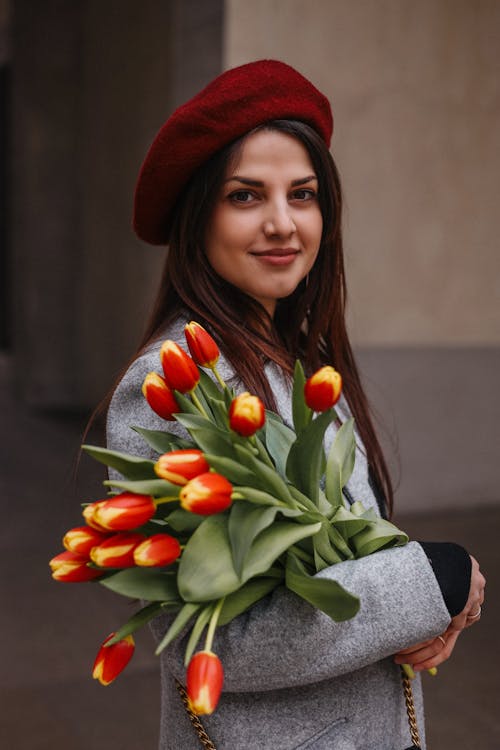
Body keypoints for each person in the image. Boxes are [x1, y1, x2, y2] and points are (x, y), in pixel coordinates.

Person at [106, 60, 485, 750]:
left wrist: (436, 603)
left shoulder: (296, 355)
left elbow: (344, 545)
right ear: (199, 214)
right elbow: (215, 640)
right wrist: (426, 582)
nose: (282, 223)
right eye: (246, 196)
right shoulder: (174, 380)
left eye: (302, 194)